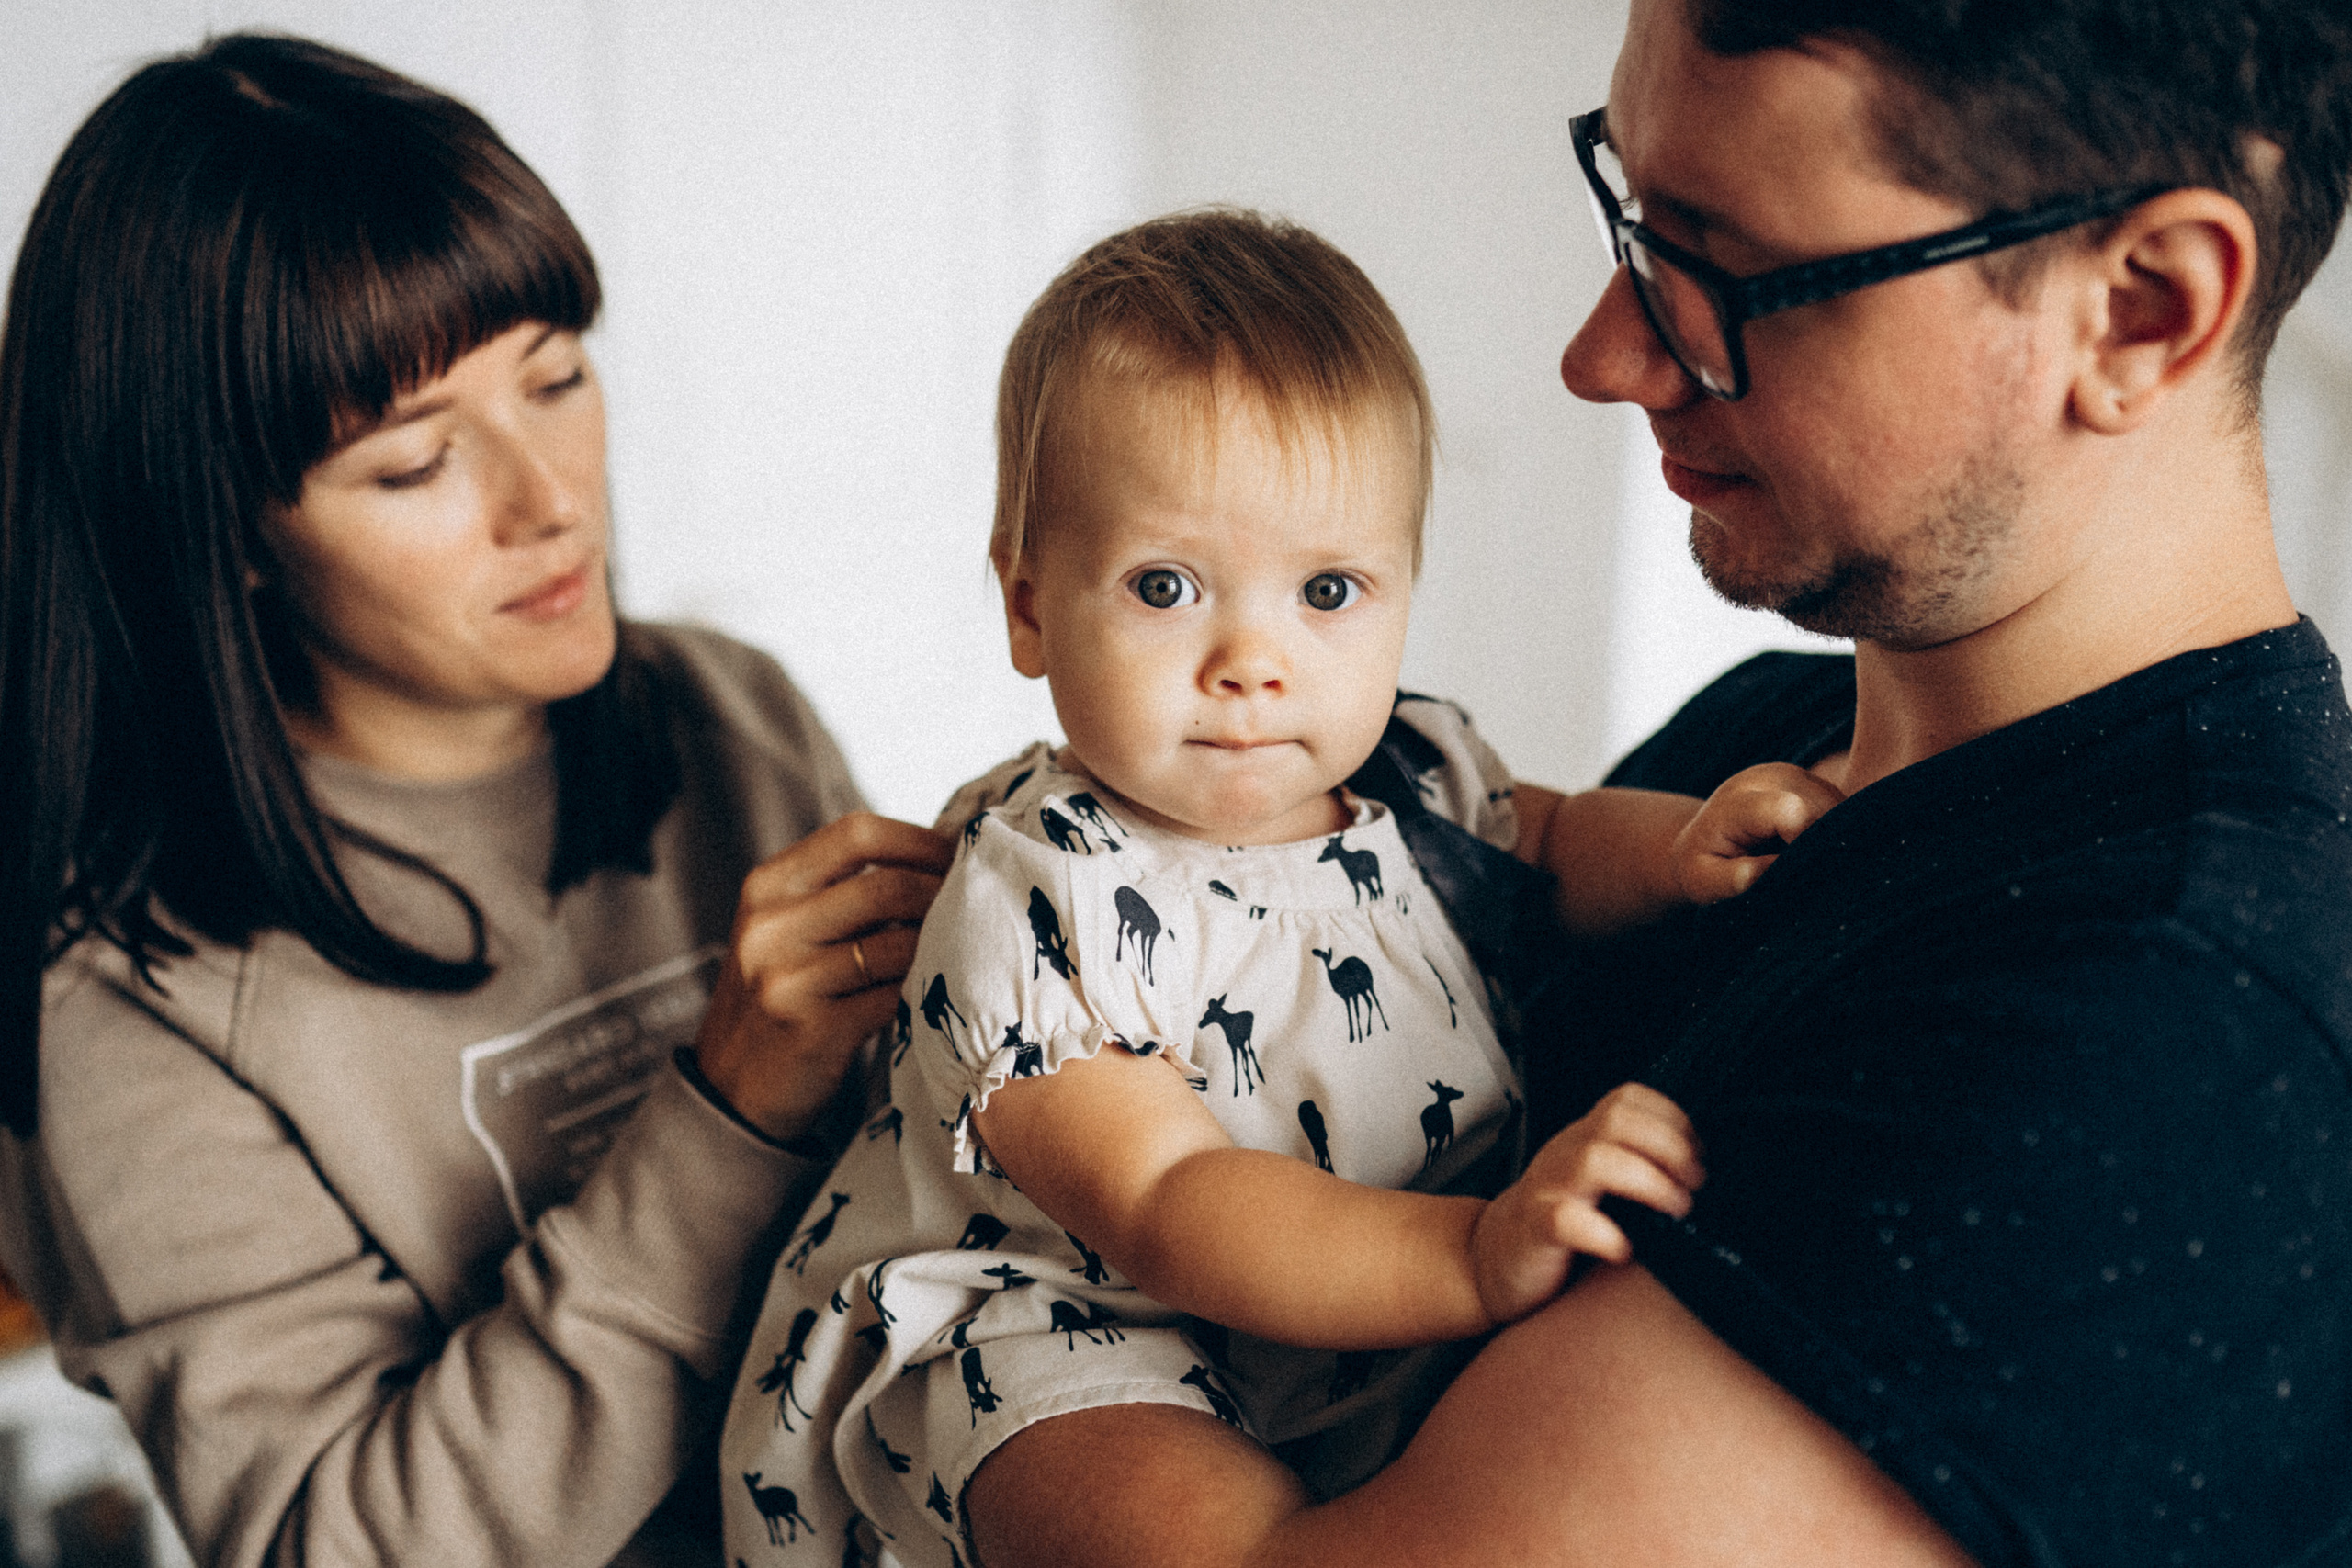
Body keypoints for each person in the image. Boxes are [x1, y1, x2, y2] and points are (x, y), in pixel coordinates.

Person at [957, 3, 2352, 1566]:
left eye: (1726, 266)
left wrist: (977, 1386)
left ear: (2141, 311)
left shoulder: (2164, 1031)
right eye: (1627, 211)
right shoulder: (1760, 740)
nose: (1603, 354)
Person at [718, 209, 1842, 1566]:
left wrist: (1673, 850)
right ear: (1029, 607)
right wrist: (1477, 1252)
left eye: (1326, 589)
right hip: (1074, 1324)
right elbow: (1167, 1199)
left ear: (1405, 592)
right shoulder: (1036, 893)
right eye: (1166, 584)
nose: (1251, 659)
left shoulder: (1418, 767)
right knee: (1194, 1527)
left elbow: (1543, 837)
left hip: (1350, 1301)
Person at [0, 35, 953, 1568]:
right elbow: (341, 1546)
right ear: (222, 531)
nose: (549, 495)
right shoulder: (120, 997)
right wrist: (722, 1118)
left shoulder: (730, 713)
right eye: (415, 462)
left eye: (558, 378)